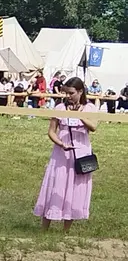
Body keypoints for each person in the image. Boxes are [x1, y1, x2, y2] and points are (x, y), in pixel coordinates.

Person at [33, 77, 98, 233]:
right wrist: (60, 143)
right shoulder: (60, 107)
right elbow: (51, 131)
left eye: (71, 93)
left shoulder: (89, 108)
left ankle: (66, 230)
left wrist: (79, 115)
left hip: (81, 152)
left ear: (80, 91)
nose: (68, 96)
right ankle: (44, 228)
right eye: (66, 93)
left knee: (76, 189)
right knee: (56, 186)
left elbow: (94, 127)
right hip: (61, 153)